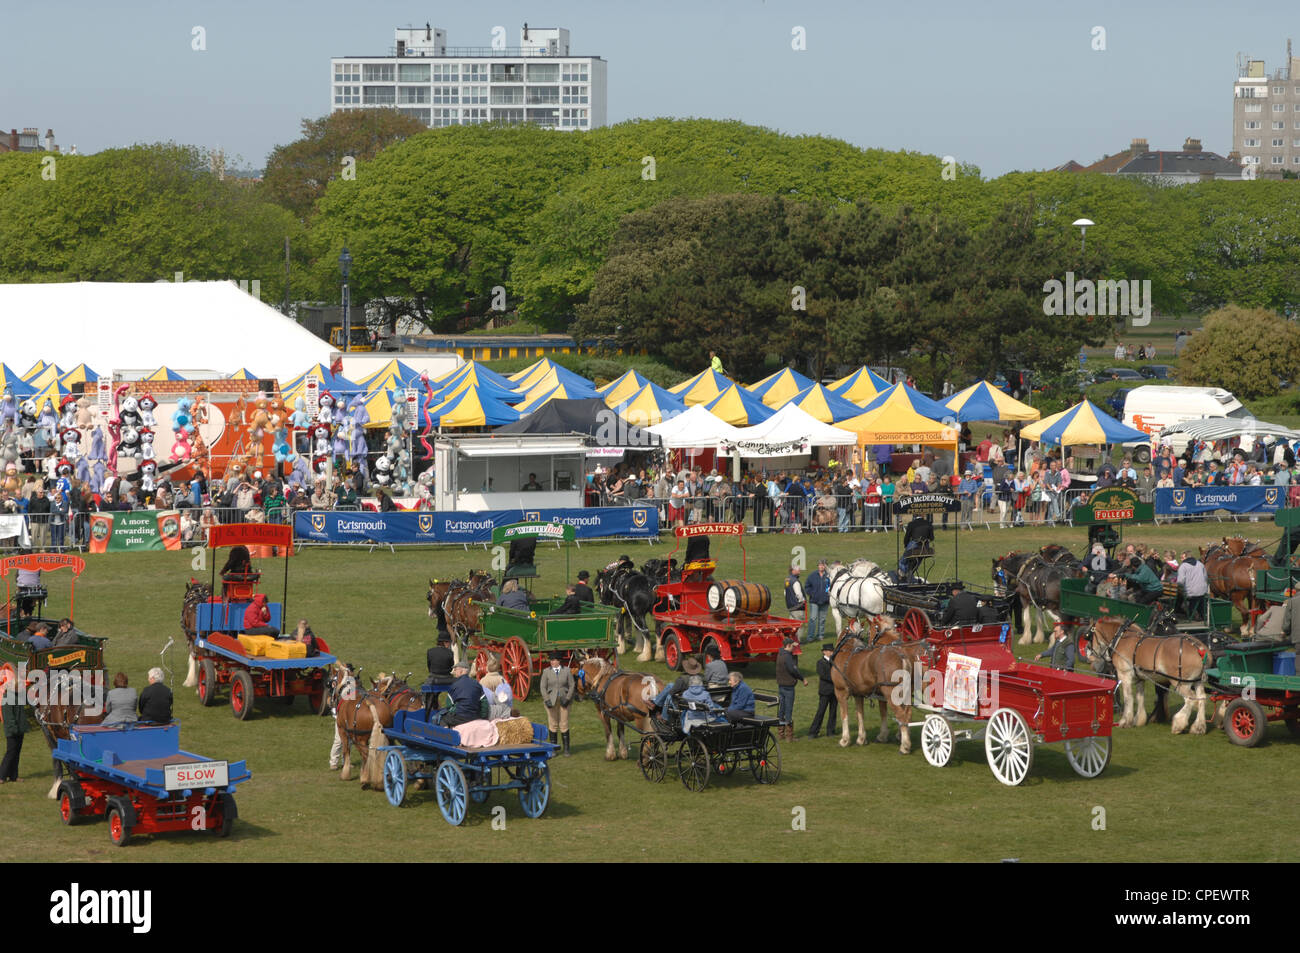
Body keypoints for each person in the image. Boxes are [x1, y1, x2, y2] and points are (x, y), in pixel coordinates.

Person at [539, 654, 575, 755]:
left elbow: (572, 685)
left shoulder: (567, 671)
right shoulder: (546, 672)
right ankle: (553, 749)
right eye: (551, 660)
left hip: (564, 702)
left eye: (554, 660)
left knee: (564, 724)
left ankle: (566, 749)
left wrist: (567, 699)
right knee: (553, 724)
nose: (552, 662)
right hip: (551, 701)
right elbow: (542, 687)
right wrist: (547, 700)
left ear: (559, 661)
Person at [774, 637, 806, 742]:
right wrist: (802, 679)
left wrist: (794, 647)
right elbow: (793, 669)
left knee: (781, 709)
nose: (793, 648)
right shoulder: (787, 657)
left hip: (781, 685)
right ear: (788, 646)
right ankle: (789, 736)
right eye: (792, 646)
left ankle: (781, 734)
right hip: (788, 686)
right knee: (788, 710)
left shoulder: (780, 654)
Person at [807, 643, 839, 739]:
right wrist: (835, 678)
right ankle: (813, 732)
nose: (831, 652)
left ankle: (831, 731)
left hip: (834, 690)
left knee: (833, 712)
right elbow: (823, 675)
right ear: (824, 652)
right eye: (829, 651)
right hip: (825, 690)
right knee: (821, 711)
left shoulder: (835, 662)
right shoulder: (820, 662)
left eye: (832, 651)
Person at [443, 660, 486, 728]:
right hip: (475, 716)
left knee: (440, 718)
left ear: (461, 671)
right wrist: (483, 717)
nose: (454, 672)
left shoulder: (454, 685)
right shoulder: (477, 683)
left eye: (455, 670)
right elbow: (484, 703)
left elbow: (448, 705)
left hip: (460, 718)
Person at [0, 686, 26, 783]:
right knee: (10, 753)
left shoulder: (18, 697)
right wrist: (14, 729)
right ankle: (1, 776)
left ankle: (13, 776)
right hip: (12, 731)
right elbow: (9, 716)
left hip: (19, 729)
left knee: (16, 753)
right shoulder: (7, 698)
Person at [805, 560, 831, 645]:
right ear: (818, 566)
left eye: (823, 565)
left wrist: (828, 596)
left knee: (822, 619)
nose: (821, 567)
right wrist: (811, 594)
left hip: (825, 601)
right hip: (814, 601)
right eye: (820, 565)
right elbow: (807, 586)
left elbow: (832, 586)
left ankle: (820, 635)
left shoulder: (829, 576)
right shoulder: (812, 575)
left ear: (825, 566)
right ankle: (810, 637)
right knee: (813, 619)